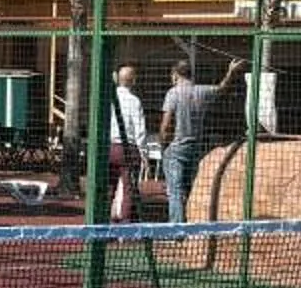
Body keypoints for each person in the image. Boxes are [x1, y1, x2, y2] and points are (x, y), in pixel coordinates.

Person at [157, 55, 248, 224]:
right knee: (191, 186)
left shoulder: (173, 93)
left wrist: (163, 145)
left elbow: (166, 124)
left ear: (175, 74)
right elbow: (222, 88)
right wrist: (230, 72)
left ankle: (176, 227)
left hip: (177, 147)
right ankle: (193, 222)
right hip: (196, 146)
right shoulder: (201, 91)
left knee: (175, 190)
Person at [106, 63, 154, 221]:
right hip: (128, 148)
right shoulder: (134, 101)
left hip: (109, 146)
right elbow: (140, 129)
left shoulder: (108, 99)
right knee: (128, 188)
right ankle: (124, 224)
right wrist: (144, 153)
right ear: (133, 80)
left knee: (108, 186)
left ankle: (104, 220)